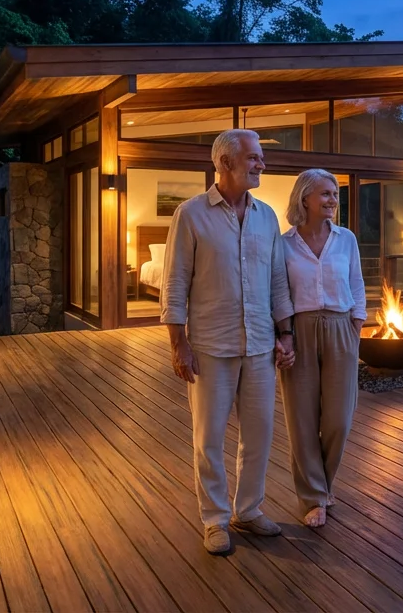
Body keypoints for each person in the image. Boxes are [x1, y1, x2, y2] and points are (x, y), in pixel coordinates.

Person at [160, 129, 296, 555]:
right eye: (254, 158)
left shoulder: (267, 216)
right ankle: (215, 519)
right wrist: (178, 344)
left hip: (259, 345)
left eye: (259, 158)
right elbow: (175, 283)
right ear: (224, 163)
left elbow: (277, 279)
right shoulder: (191, 214)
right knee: (209, 438)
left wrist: (285, 332)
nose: (261, 164)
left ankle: (248, 510)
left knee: (258, 435)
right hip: (209, 347)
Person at [278, 169, 365, 528]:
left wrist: (357, 322)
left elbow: (357, 282)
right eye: (325, 194)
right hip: (299, 328)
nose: (332, 200)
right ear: (305, 199)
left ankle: (325, 484)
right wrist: (283, 333)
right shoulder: (283, 244)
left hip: (341, 326)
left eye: (335, 194)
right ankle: (314, 496)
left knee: (338, 420)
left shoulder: (347, 240)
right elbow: (278, 290)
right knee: (301, 419)